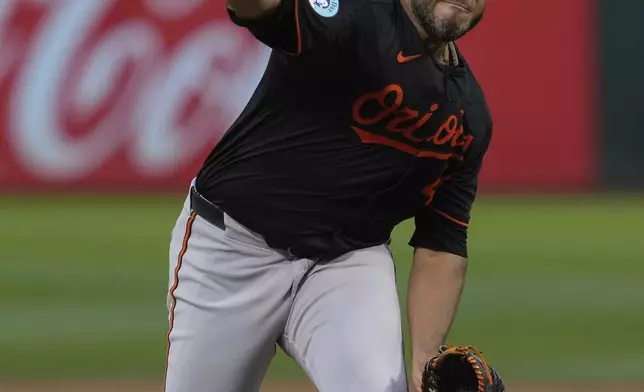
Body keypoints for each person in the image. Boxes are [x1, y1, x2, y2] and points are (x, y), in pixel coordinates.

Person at [164, 0, 491, 391]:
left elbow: (442, 243)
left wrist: (424, 359)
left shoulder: (469, 114)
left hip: (347, 263)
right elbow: (268, 10)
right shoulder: (357, 15)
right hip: (232, 247)